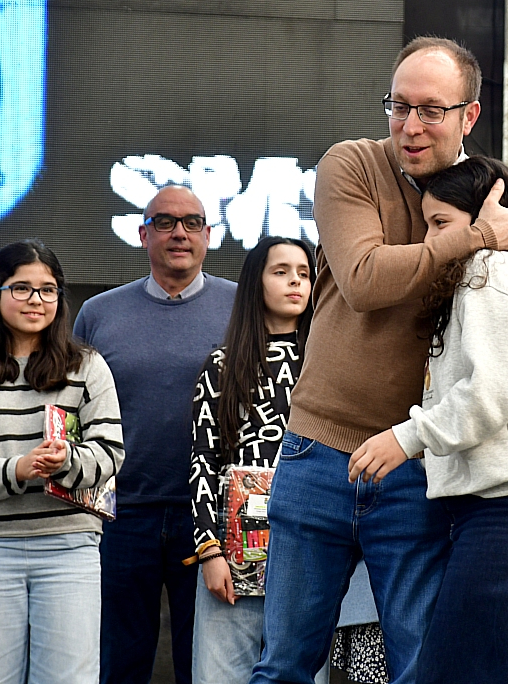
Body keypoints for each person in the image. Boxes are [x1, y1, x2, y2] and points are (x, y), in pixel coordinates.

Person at [249, 36, 508, 684]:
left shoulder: (491, 194)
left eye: (431, 110)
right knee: (284, 666)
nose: (410, 125)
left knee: (420, 668)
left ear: (469, 115)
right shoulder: (353, 164)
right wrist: (474, 236)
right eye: (398, 105)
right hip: (320, 450)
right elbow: (363, 279)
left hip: (421, 467)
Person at [348, 155, 508, 684]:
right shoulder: (487, 277)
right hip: (507, 511)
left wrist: (407, 437)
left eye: (441, 224)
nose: (432, 240)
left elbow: (489, 394)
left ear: (488, 216)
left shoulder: (488, 272)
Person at [0, 239, 125, 683]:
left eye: (48, 289)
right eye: (21, 288)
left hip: (69, 548)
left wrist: (66, 460)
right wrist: (18, 469)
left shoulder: (87, 368)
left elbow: (110, 453)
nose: (36, 300)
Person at [74, 185, 238, 684]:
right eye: (165, 223)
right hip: (121, 516)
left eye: (192, 223)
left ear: (208, 235)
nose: (179, 233)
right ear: (143, 235)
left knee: (205, 667)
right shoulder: (98, 314)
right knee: (119, 664)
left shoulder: (243, 307)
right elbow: (75, 414)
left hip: (211, 519)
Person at [188, 236, 315, 683]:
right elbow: (203, 461)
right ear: (255, 282)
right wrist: (209, 550)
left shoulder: (326, 365)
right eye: (281, 271)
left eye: (304, 273)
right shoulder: (223, 365)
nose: (295, 281)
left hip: (309, 552)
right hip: (232, 554)